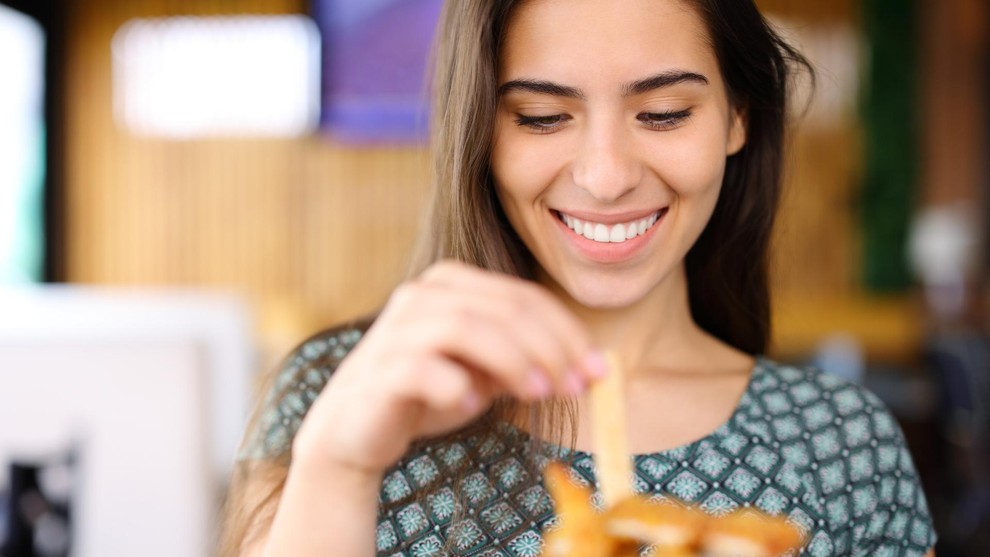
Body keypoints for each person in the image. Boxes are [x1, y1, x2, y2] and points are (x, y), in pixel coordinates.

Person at [220, 1, 938, 556]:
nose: (605, 176)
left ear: (737, 117)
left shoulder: (842, 439)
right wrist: (340, 465)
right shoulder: (333, 394)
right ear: (482, 132)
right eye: (541, 117)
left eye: (664, 113)